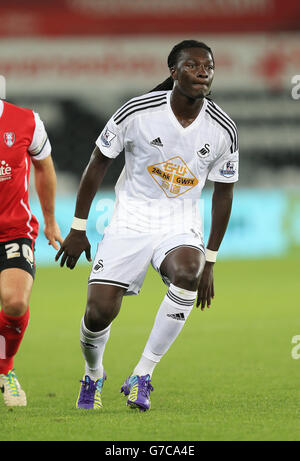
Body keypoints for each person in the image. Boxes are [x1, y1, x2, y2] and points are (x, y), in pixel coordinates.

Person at [56, 40, 239, 412]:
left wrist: (212, 260)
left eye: (209, 66)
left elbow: (223, 194)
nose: (203, 72)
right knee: (97, 313)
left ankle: (142, 374)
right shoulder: (137, 112)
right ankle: (93, 374)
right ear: (174, 72)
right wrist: (78, 228)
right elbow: (97, 163)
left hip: (180, 221)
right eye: (193, 66)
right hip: (130, 218)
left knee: (188, 273)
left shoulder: (223, 129)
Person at [0, 98, 63, 406]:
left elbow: (44, 166)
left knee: (15, 301)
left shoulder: (26, 121)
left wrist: (50, 221)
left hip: (13, 230)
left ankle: (4, 369)